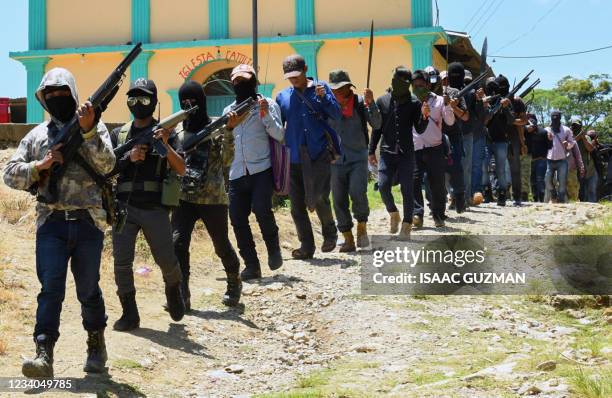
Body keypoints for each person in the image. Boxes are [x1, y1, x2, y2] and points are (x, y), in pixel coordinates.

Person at [3, 68, 115, 377]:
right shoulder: (37, 135)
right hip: (51, 222)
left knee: (88, 288)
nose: (56, 99)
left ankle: (95, 344)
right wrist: (41, 165)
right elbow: (9, 173)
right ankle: (44, 353)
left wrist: (89, 130)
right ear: (42, 99)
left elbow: (108, 164)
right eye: (49, 95)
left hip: (89, 221)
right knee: (50, 288)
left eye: (62, 93)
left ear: (73, 93)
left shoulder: (96, 128)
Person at [109, 78, 186, 331]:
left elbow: (181, 168)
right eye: (132, 98)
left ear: (153, 101)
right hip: (124, 206)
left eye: (143, 98)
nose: (137, 104)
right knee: (121, 262)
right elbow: (106, 169)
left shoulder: (166, 132)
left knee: (166, 260)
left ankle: (174, 291)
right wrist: (128, 158)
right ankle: (129, 313)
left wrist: (164, 144)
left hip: (155, 208)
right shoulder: (119, 134)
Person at [172, 80, 243, 307]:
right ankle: (183, 293)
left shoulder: (216, 127)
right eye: (185, 102)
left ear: (202, 102)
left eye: (194, 101)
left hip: (212, 198)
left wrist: (230, 131)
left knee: (220, 244)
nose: (189, 106)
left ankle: (233, 280)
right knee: (178, 244)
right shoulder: (178, 130)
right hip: (184, 197)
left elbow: (227, 160)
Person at [276, 54, 341, 259]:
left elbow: (337, 114)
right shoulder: (282, 97)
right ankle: (307, 246)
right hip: (294, 156)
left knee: (320, 197)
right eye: (290, 77)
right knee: (297, 206)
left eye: (296, 75)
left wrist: (325, 98)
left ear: (305, 69)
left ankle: (330, 235)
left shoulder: (321, 89)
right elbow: (278, 126)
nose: (293, 80)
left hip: (318, 153)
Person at [224, 64, 285, 280]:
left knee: (262, 210)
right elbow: (225, 141)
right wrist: (229, 127)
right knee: (237, 219)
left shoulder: (267, 104)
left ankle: (274, 249)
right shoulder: (228, 111)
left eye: (245, 81)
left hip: (261, 169)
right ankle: (251, 265)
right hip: (236, 172)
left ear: (254, 81)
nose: (240, 85)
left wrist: (265, 115)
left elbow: (280, 135)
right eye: (237, 81)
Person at [369, 66, 428, 240]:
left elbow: (420, 129)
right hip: (387, 152)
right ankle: (393, 213)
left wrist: (424, 117)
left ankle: (407, 225)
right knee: (383, 185)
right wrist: (371, 151)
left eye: (403, 80)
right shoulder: (382, 101)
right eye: (396, 78)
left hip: (406, 153)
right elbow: (377, 129)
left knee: (407, 190)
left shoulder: (415, 102)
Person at [327, 69, 381, 251]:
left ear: (349, 87)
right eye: (335, 90)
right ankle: (347, 237)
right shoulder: (327, 105)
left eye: (342, 88)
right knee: (338, 199)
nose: (339, 93)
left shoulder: (359, 103)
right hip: (335, 160)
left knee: (358, 192)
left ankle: (362, 228)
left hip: (358, 157)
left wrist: (371, 103)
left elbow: (377, 124)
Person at [411, 68, 455, 228]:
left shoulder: (439, 101)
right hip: (415, 148)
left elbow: (450, 122)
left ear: (428, 85)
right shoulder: (410, 102)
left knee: (436, 184)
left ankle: (438, 215)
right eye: (414, 85)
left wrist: (449, 105)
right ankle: (417, 214)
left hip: (435, 148)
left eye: (421, 85)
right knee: (414, 182)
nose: (418, 88)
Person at [495, 75, 528, 206]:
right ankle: (501, 195)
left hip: (513, 138)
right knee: (498, 169)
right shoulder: (494, 100)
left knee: (515, 168)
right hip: (497, 138)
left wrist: (522, 142)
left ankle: (517, 196)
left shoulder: (517, 101)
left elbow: (523, 121)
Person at [442, 63, 470, 213]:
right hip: (435, 138)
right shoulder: (429, 95)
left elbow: (465, 116)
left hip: (454, 138)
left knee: (456, 170)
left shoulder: (455, 93)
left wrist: (453, 106)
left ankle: (459, 198)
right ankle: (440, 203)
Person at [544, 110, 575, 203]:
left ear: (560, 118)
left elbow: (572, 143)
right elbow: (542, 144)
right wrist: (546, 139)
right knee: (547, 179)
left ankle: (561, 200)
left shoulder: (566, 130)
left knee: (562, 182)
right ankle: (553, 193)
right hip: (549, 160)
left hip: (562, 160)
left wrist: (567, 145)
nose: (554, 119)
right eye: (553, 117)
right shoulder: (546, 130)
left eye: (556, 117)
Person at [526, 114, 550, 202]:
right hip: (530, 160)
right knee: (532, 181)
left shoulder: (543, 132)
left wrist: (550, 140)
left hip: (541, 160)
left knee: (540, 179)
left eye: (533, 119)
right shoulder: (526, 132)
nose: (531, 121)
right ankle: (535, 199)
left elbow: (549, 146)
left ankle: (542, 199)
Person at [576, 127, 599, 203]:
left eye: (593, 136)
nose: (591, 137)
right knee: (583, 192)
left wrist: (593, 143)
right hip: (581, 171)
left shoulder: (597, 145)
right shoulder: (579, 140)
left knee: (591, 190)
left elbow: (591, 149)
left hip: (592, 171)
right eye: (589, 135)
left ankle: (593, 207)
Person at [567, 120, 586, 201]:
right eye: (574, 126)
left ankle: (579, 200)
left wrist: (583, 137)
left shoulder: (585, 137)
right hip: (569, 166)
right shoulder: (567, 135)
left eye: (577, 126)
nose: (575, 128)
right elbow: (572, 143)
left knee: (578, 186)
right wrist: (579, 136)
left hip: (581, 164)